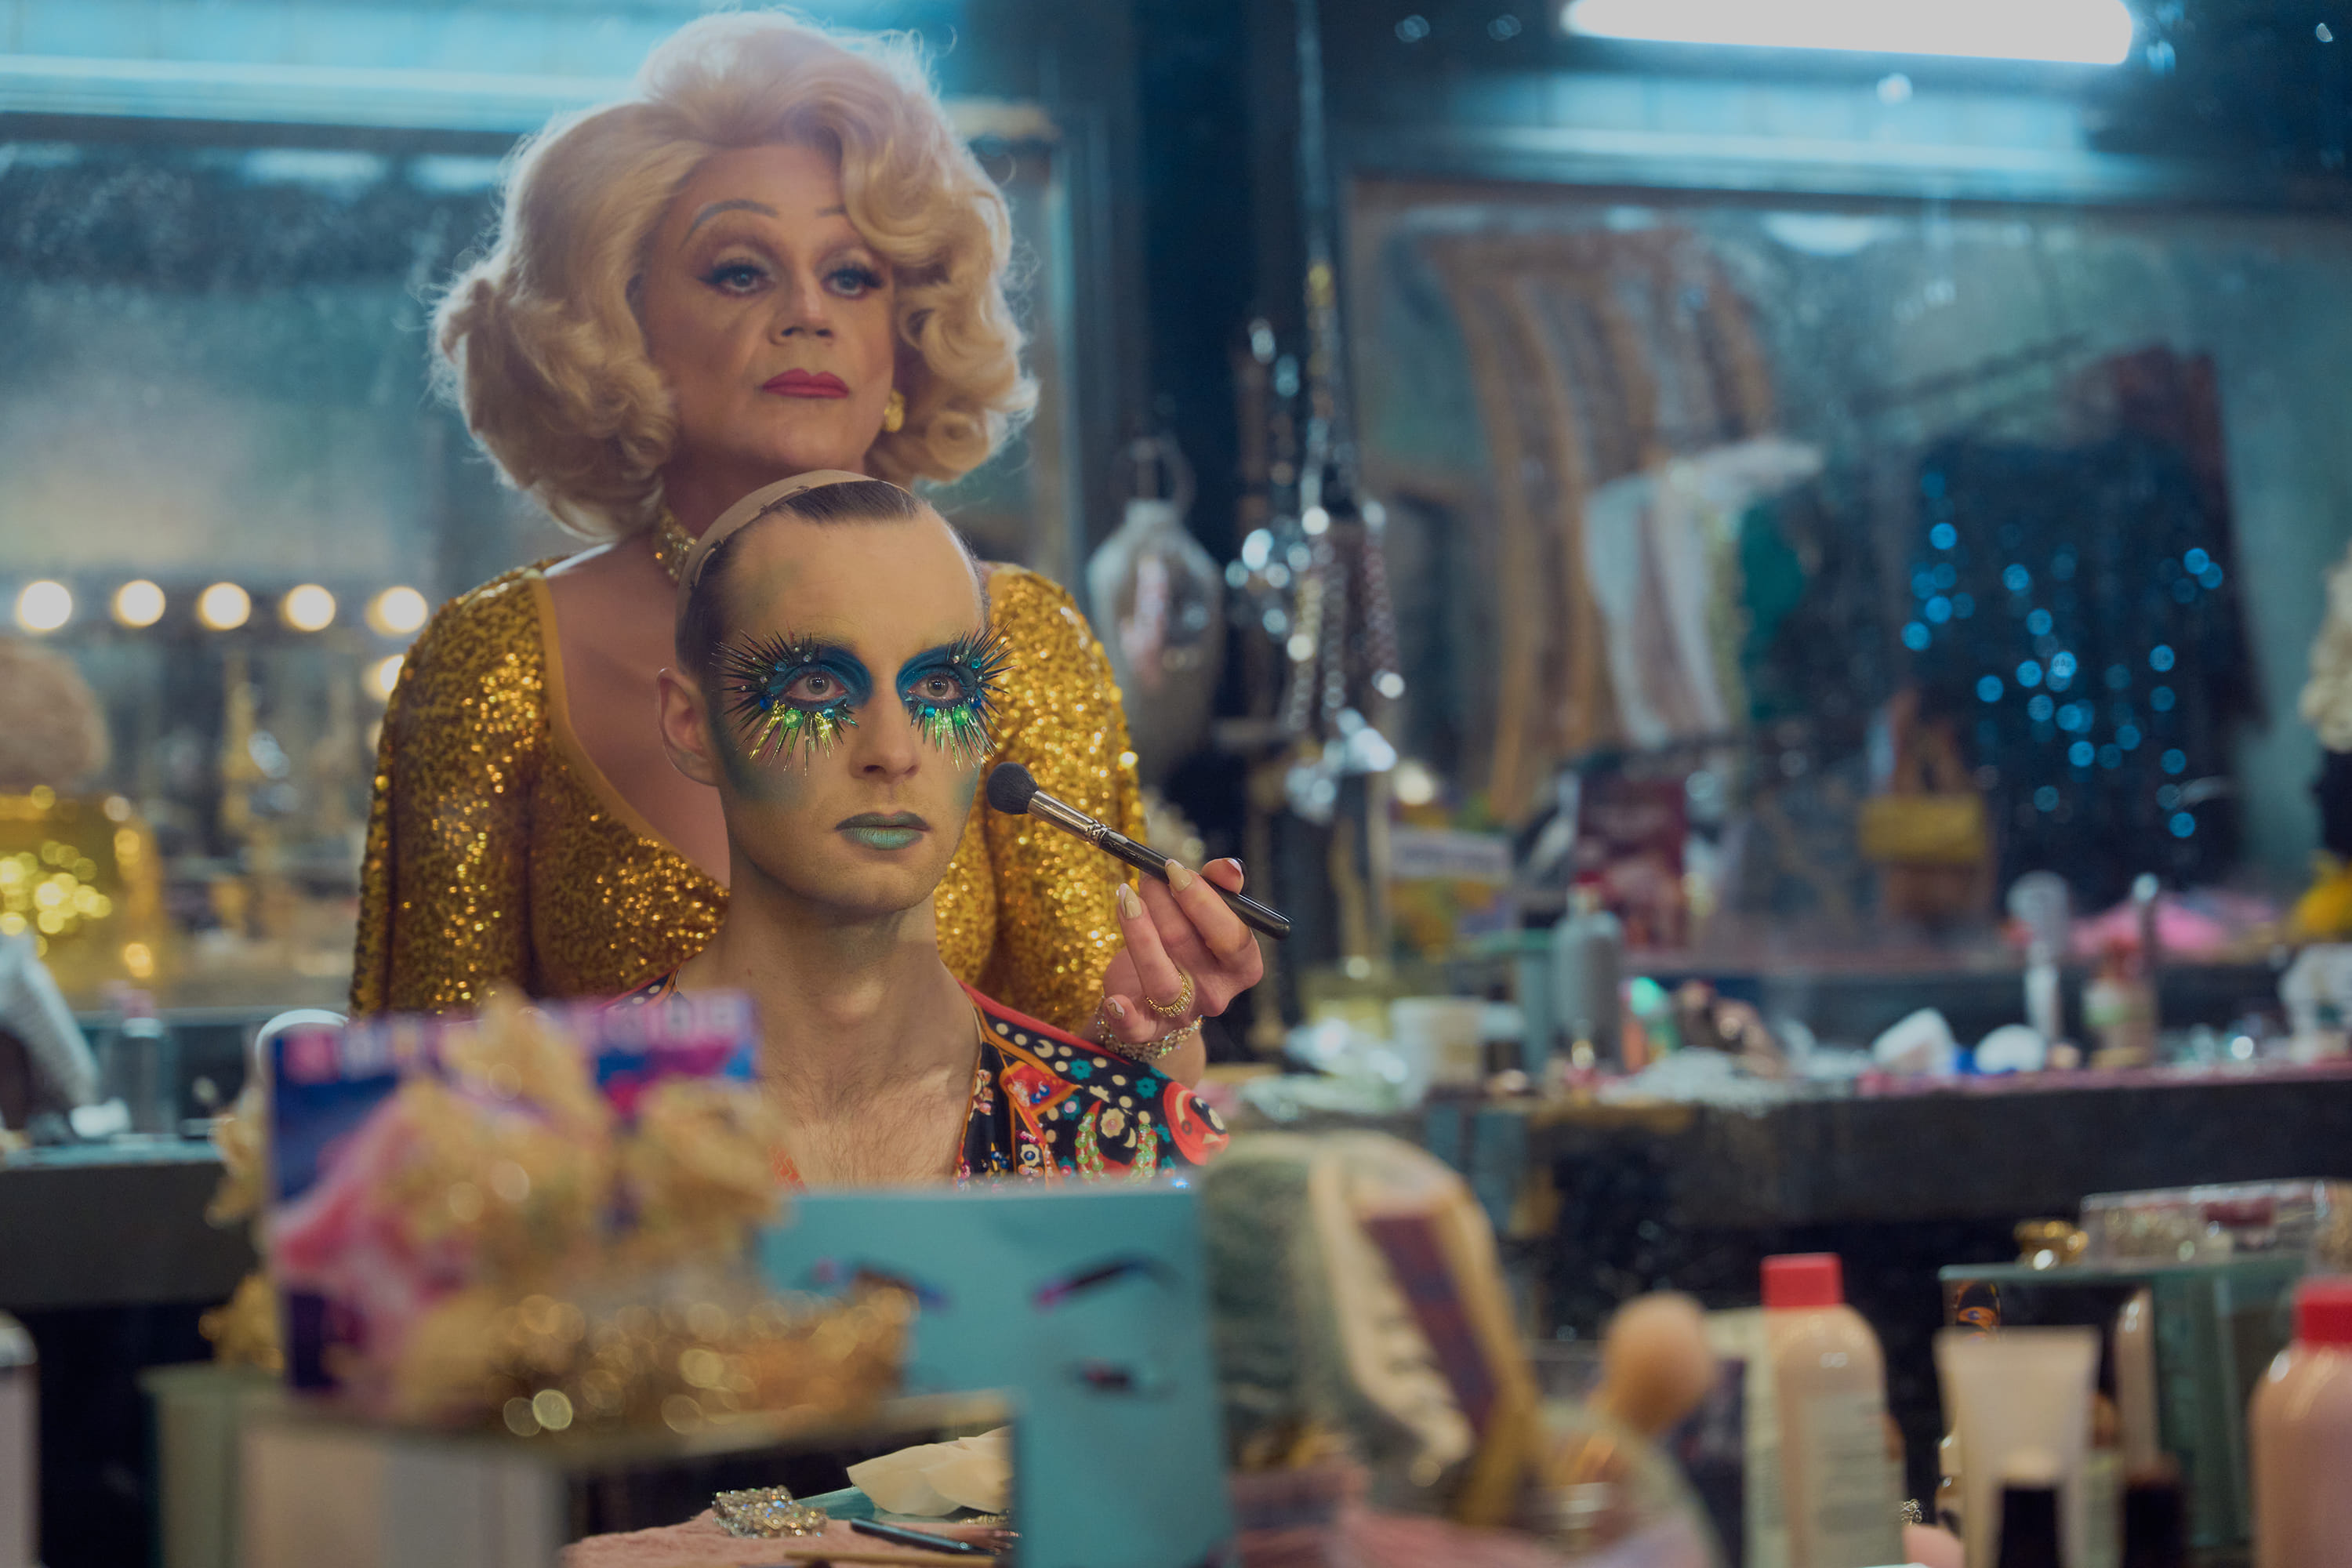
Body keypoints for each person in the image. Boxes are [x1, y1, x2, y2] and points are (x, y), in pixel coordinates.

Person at [353, 13, 1262, 1054]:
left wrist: (1155, 1025)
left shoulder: (1018, 641)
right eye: (741, 271)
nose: (808, 314)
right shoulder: (496, 661)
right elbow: (410, 1109)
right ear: (621, 324)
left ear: (905, 335)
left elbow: (1109, 1074)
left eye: (853, 276)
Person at [632, 473, 1238, 1183]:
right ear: (691, 726)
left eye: (939, 687)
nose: (893, 752)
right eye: (817, 685)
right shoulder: (560, 1131)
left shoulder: (1126, 1141)